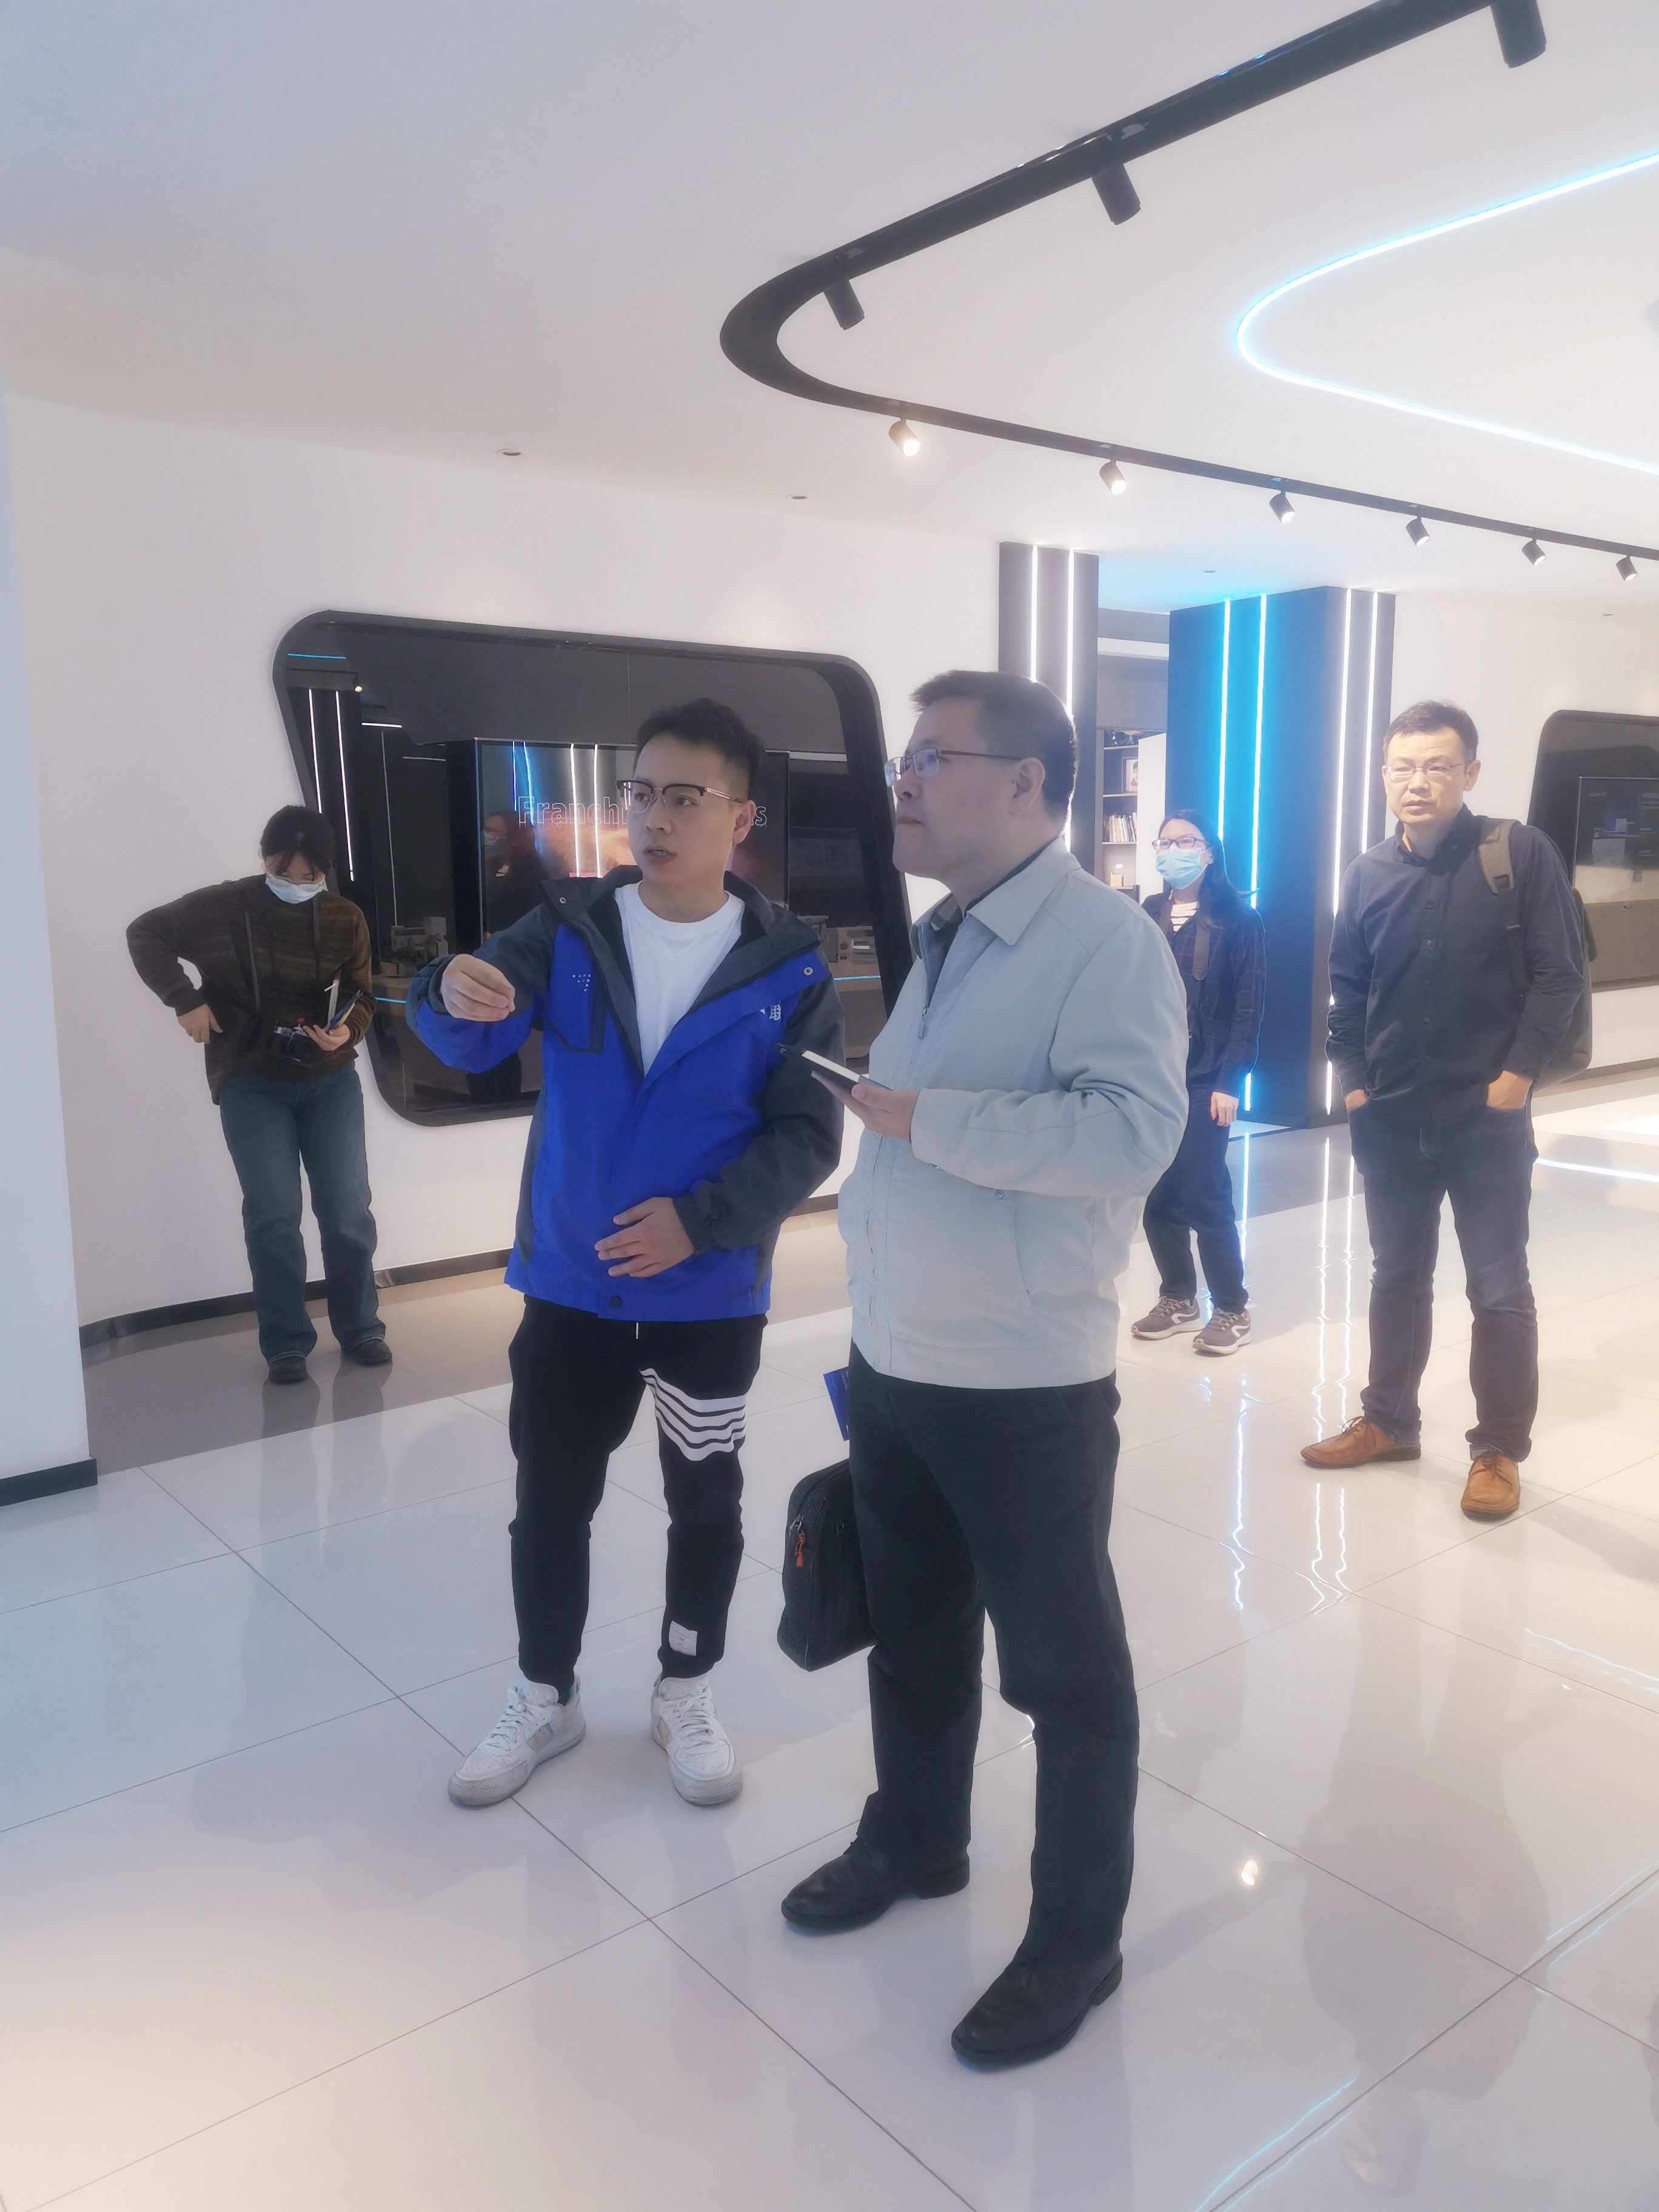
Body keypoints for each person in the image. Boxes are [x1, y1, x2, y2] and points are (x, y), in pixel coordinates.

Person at [780, 669, 1188, 2069]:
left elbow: (1130, 1136)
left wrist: (928, 1120)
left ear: (1024, 784)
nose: (900, 780)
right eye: (904, 756)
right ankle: (915, 1839)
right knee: (911, 1635)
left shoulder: (1103, 943)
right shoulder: (945, 934)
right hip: (896, 1362)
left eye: (931, 757)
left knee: (1066, 1682)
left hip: (1022, 1386)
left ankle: (1076, 1941)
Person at [407, 699, 844, 1809]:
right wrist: (445, 991)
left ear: (740, 817)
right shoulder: (568, 927)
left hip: (708, 1295)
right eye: (640, 793)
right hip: (572, 1285)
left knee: (706, 1500)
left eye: (684, 797)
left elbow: (808, 1136)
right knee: (550, 1499)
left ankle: (684, 1686)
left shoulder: (789, 967)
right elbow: (469, 1030)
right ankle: (544, 1692)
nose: (653, 818)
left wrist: (699, 1220)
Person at [1302, 700, 1586, 1520]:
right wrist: (1354, 1084)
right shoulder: (1366, 873)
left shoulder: (1517, 853)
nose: (1417, 781)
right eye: (1402, 767)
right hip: (1390, 1115)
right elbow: (1347, 986)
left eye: (1436, 765)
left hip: (1485, 1117)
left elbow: (1560, 975)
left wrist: (1515, 1080)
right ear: (1383, 775)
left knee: (1497, 1286)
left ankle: (1497, 1450)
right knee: (1396, 1275)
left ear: (1470, 772)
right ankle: (1389, 1422)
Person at [126, 805, 389, 1386]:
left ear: (325, 870)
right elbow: (145, 932)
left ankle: (361, 1327)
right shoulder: (224, 906)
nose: (295, 883)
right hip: (249, 1079)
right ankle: (286, 1343)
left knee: (347, 1211)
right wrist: (185, 1000)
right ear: (264, 858)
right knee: (273, 1215)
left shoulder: (344, 917)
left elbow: (364, 994)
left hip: (330, 1079)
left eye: (309, 876)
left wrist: (348, 1029)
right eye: (281, 871)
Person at [1130, 808, 1266, 1356]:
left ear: (1209, 852)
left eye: (1186, 842)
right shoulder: (1149, 912)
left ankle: (1232, 1307)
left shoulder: (1239, 919)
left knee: (1204, 1190)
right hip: (1152, 1076)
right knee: (1157, 1190)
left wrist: (1231, 1081)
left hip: (1208, 1077)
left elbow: (1249, 1009)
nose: (1174, 851)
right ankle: (1178, 1297)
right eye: (1165, 843)